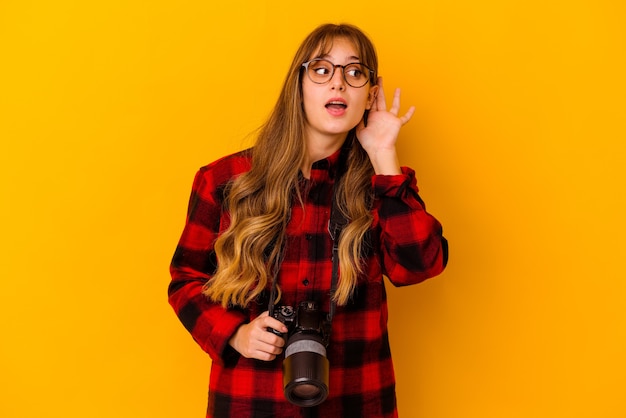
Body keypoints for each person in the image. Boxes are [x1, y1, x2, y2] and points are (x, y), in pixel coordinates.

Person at [169, 23, 448, 418]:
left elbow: (419, 265)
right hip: (251, 401)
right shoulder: (225, 181)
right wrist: (236, 333)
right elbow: (185, 279)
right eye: (321, 70)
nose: (339, 84)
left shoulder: (384, 186)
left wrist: (384, 155)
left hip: (355, 398)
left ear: (370, 94)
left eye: (354, 73)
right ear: (297, 85)